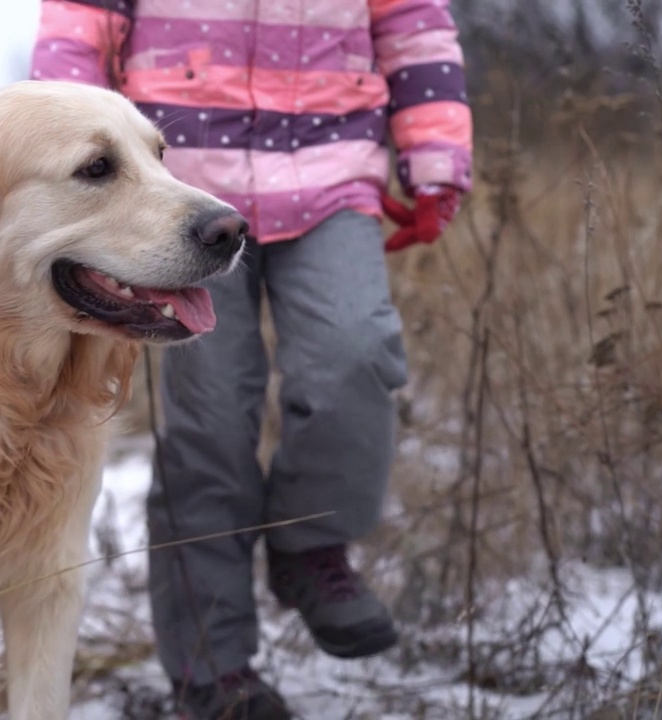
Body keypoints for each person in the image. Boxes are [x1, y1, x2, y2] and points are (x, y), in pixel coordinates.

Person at [29, 1, 473, 717]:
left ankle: (310, 543)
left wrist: (437, 157)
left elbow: (414, 23)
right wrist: (75, 153)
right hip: (175, 188)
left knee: (354, 353)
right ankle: (214, 671)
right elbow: (77, 30)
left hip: (334, 169)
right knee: (209, 426)